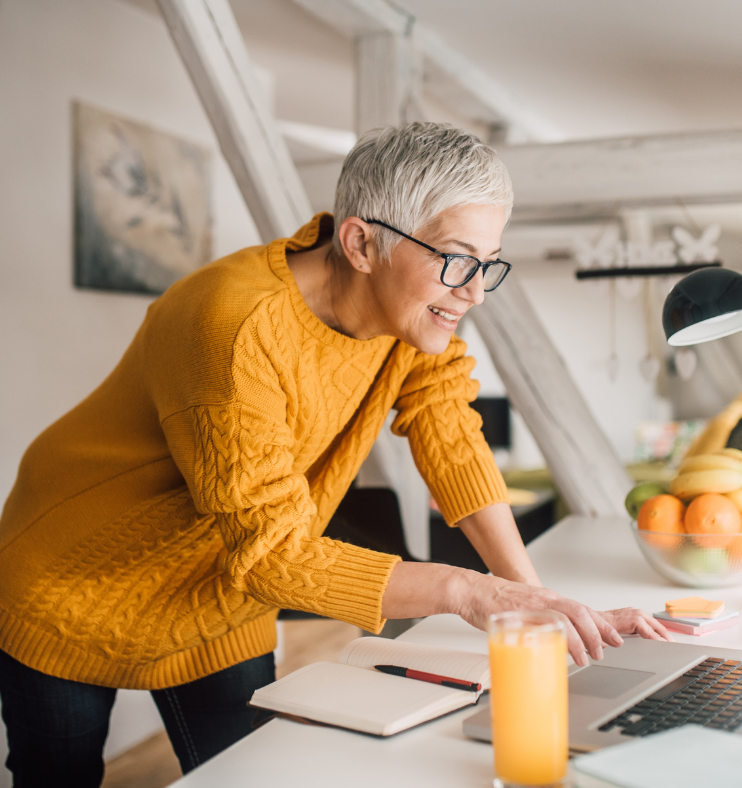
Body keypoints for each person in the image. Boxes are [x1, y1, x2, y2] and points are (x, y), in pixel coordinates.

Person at [0, 122, 670, 785]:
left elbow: (449, 430)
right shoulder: (232, 330)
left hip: (217, 593)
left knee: (247, 776)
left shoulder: (407, 317)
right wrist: (465, 589)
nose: (473, 291)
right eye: (456, 259)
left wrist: (531, 601)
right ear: (360, 244)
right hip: (75, 584)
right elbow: (277, 554)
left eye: (487, 264)